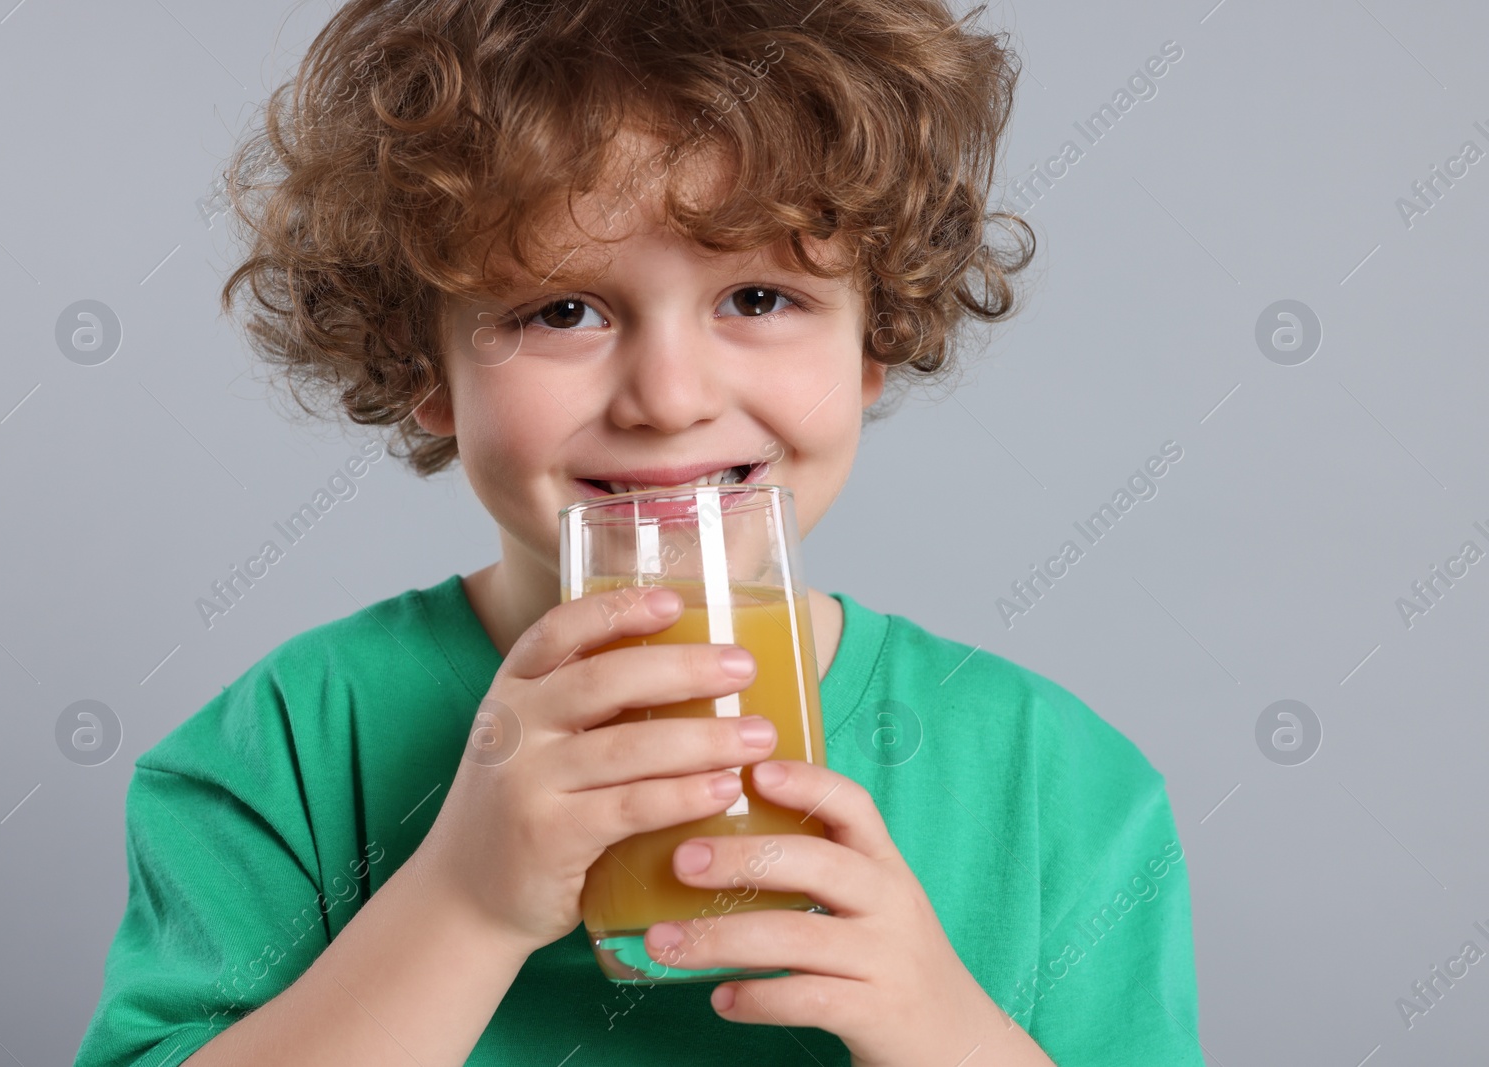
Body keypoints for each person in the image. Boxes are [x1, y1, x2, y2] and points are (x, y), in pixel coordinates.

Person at [74, 0, 1202, 1063]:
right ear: (428, 368)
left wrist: (953, 1031)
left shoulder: (1063, 789)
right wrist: (460, 905)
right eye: (560, 310)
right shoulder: (280, 756)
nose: (667, 397)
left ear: (877, 338)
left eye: (758, 298)